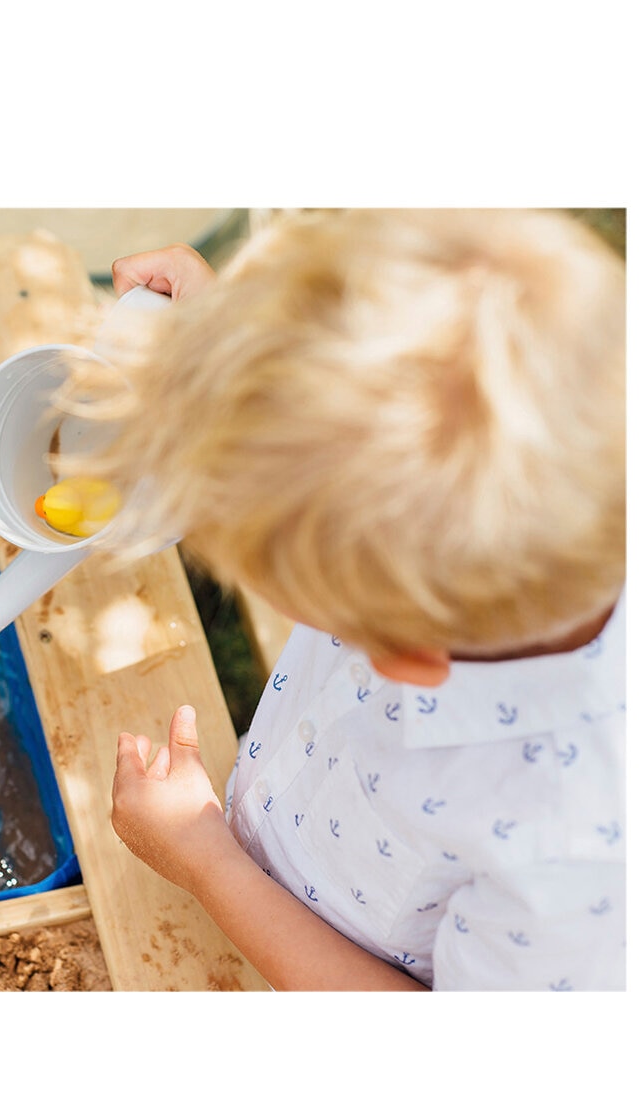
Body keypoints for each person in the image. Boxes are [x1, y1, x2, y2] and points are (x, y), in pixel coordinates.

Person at [89, 210, 625, 991]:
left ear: (403, 655)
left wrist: (208, 863)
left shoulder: (581, 859)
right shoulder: (514, 506)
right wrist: (239, 352)